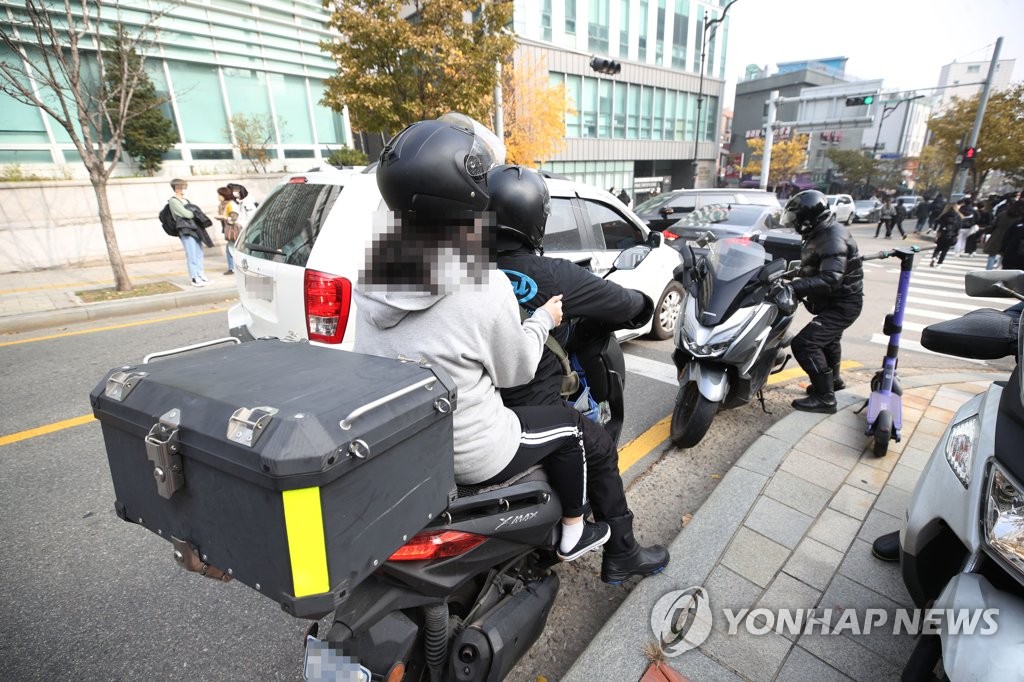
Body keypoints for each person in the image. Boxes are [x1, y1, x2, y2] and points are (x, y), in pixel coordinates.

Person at [353, 114, 669, 582]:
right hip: (477, 446)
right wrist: (545, 320)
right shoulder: (487, 284)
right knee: (585, 436)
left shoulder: (376, 275)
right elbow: (517, 371)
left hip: (411, 439)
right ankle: (602, 543)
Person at [489, 164, 654, 409]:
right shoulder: (556, 275)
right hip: (534, 413)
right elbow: (627, 306)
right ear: (537, 218)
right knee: (601, 448)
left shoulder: (458, 272)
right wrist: (643, 303)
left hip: (478, 406)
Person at [778, 190, 864, 413]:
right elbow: (816, 265)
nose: (795, 224)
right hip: (840, 301)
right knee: (829, 341)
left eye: (796, 219)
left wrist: (793, 287)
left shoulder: (831, 237)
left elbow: (831, 278)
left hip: (843, 304)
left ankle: (825, 399)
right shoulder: (822, 231)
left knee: (805, 343)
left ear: (808, 219)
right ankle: (833, 383)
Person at [167, 178, 210, 287]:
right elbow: (187, 214)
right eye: (179, 186)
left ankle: (201, 275)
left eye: (183, 186)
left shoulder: (185, 200)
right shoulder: (173, 201)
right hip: (185, 229)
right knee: (192, 254)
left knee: (199, 253)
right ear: (175, 188)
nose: (182, 188)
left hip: (194, 229)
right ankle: (194, 278)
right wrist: (193, 212)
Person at [215, 186, 239, 275]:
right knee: (231, 249)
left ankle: (232, 268)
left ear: (224, 195)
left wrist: (223, 217)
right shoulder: (222, 205)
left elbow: (234, 218)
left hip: (234, 230)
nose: (218, 197)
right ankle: (232, 268)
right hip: (228, 229)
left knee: (230, 249)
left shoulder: (230, 205)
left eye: (219, 194)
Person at [930, 203, 962, 268]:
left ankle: (934, 258)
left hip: (942, 233)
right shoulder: (958, 216)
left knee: (938, 248)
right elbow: (959, 227)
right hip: (951, 235)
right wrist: (956, 234)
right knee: (945, 250)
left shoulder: (944, 215)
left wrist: (936, 231)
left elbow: (937, 222)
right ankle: (939, 263)